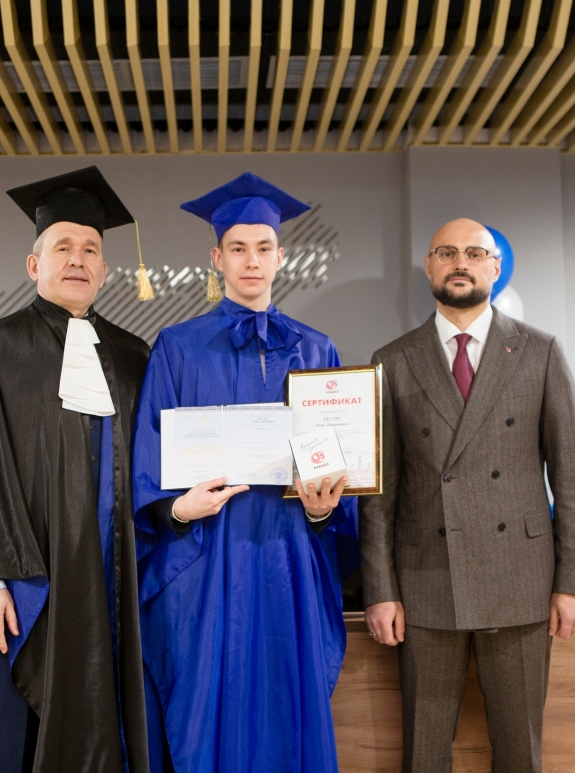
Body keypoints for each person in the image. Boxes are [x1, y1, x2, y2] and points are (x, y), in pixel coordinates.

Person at [0, 167, 152, 773]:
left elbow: (152, 469)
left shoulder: (133, 356)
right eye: (63, 247)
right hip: (23, 584)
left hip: (110, 580)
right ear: (34, 264)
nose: (78, 259)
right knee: (13, 733)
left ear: (104, 269)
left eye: (90, 249)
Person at [132, 172, 360, 773]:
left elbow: (338, 474)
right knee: (210, 701)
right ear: (217, 258)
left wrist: (323, 508)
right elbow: (148, 457)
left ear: (282, 256)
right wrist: (178, 509)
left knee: (286, 699)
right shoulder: (177, 347)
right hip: (208, 556)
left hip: (288, 555)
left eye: (263, 247)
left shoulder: (316, 350)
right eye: (238, 248)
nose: (251, 260)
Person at [362, 218, 575, 772]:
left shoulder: (540, 351)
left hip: (520, 579)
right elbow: (379, 494)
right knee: (423, 755)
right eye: (447, 253)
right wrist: (380, 590)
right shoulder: (392, 359)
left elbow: (571, 475)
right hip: (424, 583)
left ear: (495, 266)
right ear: (429, 266)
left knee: (520, 753)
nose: (460, 263)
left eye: (473, 253)